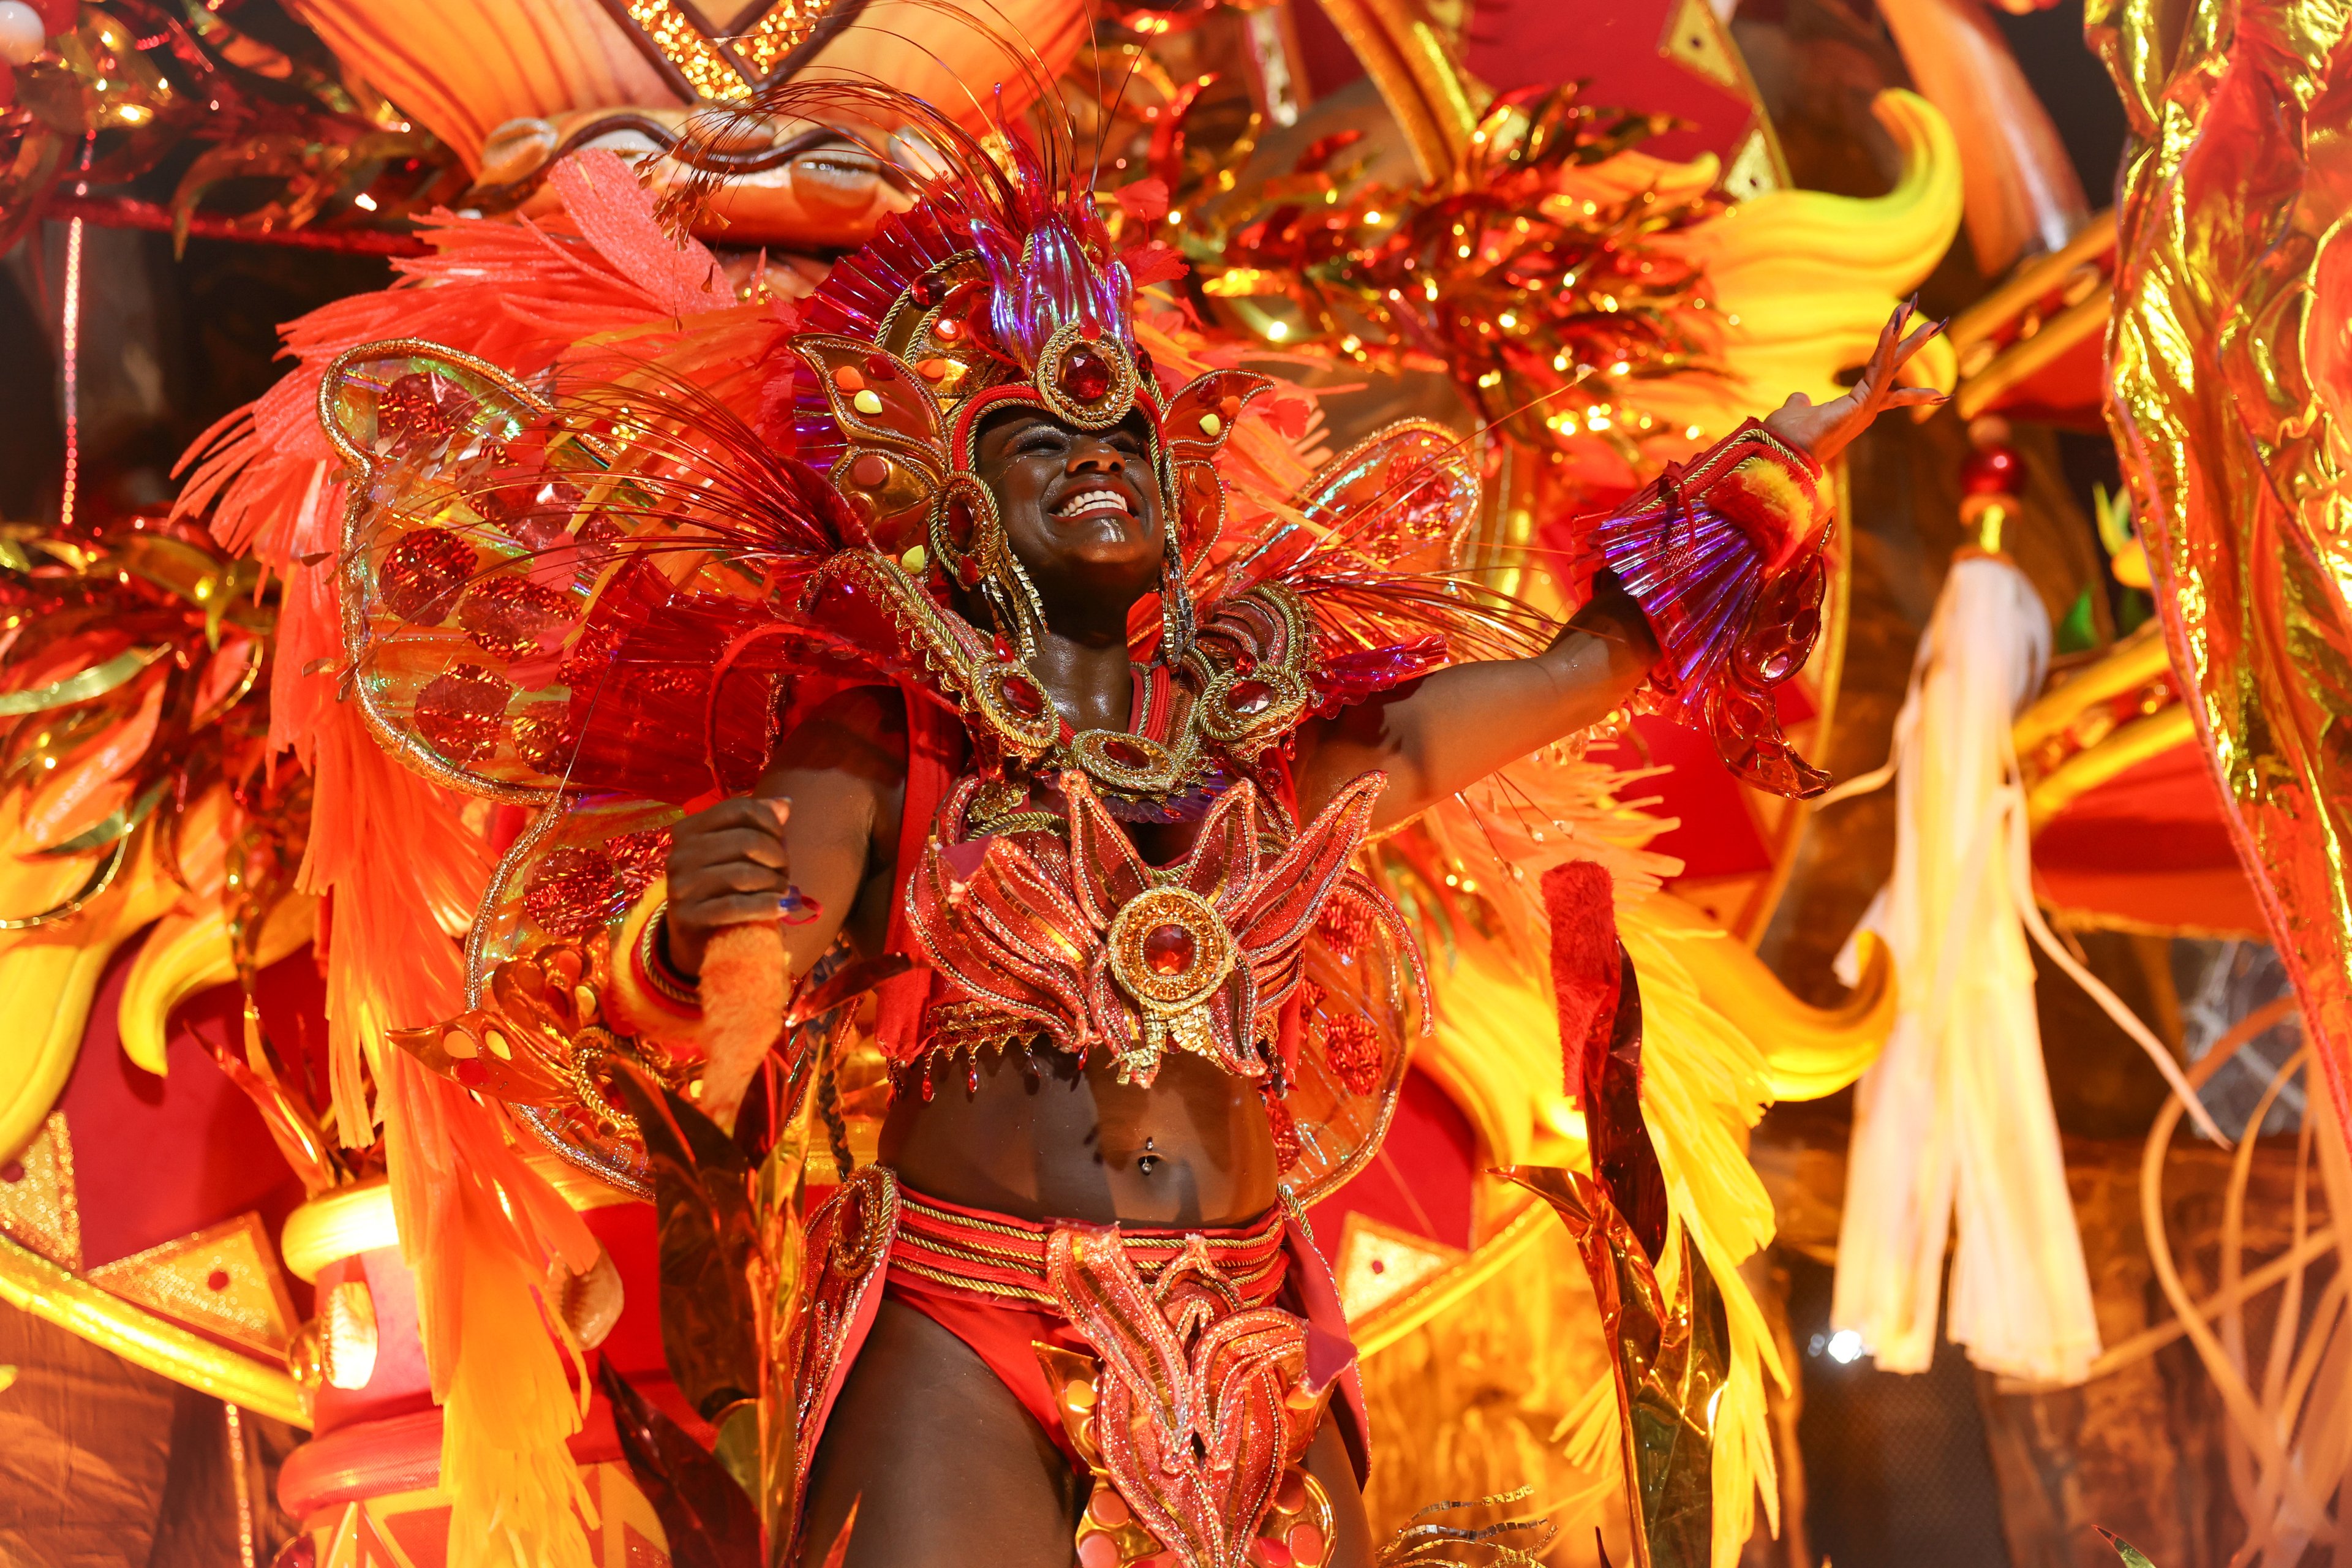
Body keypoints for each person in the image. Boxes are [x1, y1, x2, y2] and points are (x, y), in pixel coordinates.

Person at [324, 74, 1939, 1568]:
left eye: (1125, 448)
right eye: (1045, 445)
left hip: (1247, 1310)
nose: (1098, 463)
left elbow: (1584, 666)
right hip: (965, 1316)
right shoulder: (888, 743)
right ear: (964, 512)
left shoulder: (1276, 754)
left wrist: (1769, 482)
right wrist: (696, 936)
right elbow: (726, 986)